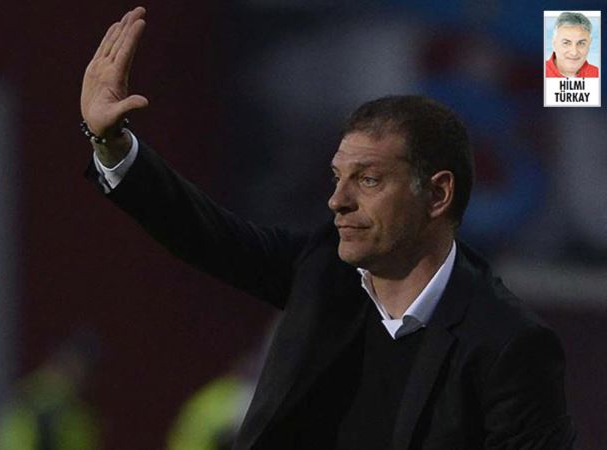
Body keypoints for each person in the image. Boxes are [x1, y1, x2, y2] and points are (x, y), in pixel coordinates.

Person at [80, 7, 575, 449]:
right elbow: (203, 232)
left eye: (369, 180)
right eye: (338, 178)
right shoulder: (320, 272)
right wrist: (112, 143)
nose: (338, 200)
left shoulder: (509, 346)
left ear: (437, 194)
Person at [545, 11, 599, 78]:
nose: (574, 53)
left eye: (581, 43)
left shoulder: (598, 74)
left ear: (589, 43)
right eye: (566, 43)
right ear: (554, 44)